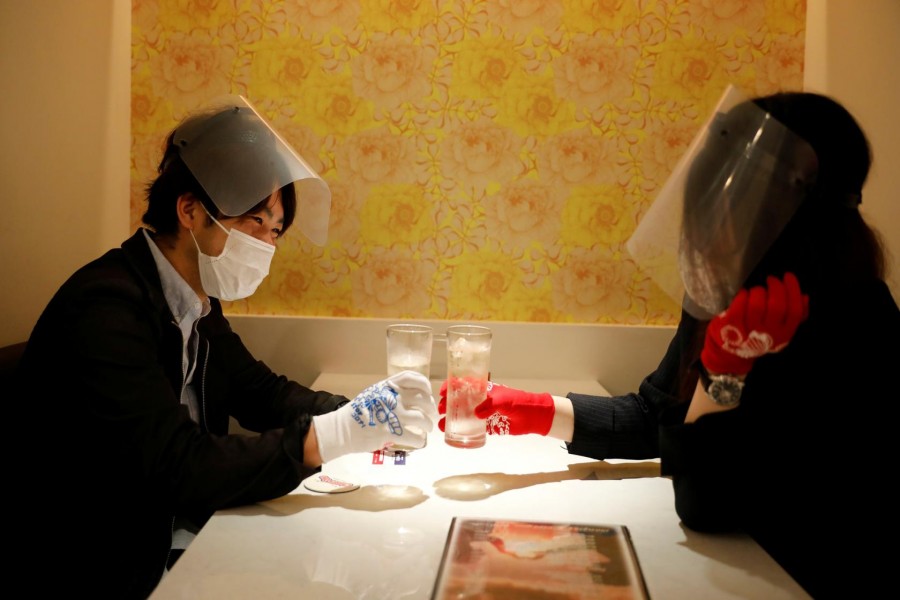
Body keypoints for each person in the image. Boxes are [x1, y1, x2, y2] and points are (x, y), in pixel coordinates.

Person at [438, 88, 899, 597]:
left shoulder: (857, 325)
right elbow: (657, 417)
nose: (712, 225)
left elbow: (706, 503)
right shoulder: (729, 297)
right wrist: (541, 411)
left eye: (733, 205)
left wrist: (725, 374)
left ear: (791, 217)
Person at [11, 95, 437, 599]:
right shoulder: (106, 307)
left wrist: (362, 411)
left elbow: (258, 391)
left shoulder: (196, 302)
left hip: (172, 542)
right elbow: (176, 464)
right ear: (190, 210)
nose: (266, 246)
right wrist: (331, 435)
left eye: (275, 232)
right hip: (100, 569)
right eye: (255, 222)